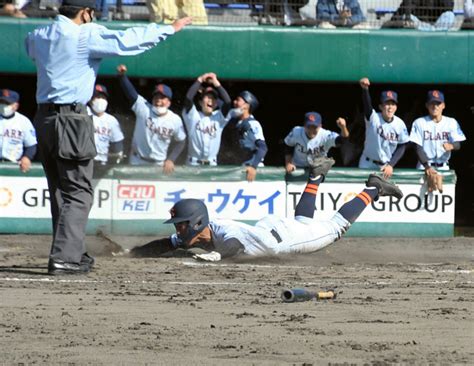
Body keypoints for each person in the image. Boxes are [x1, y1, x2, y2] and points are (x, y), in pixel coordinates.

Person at [25, 0, 191, 275]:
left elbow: (28, 45)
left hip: (43, 118)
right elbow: (127, 40)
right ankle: (65, 258)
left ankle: (72, 251)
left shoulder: (39, 34)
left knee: (59, 191)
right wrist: (169, 28)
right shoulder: (84, 34)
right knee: (78, 192)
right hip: (71, 118)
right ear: (85, 12)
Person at [130, 157, 403, 261]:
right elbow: (167, 243)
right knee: (302, 218)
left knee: (335, 227)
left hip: (286, 239)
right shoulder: (200, 232)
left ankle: (374, 187)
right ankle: (316, 177)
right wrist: (132, 252)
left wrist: (218, 258)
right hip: (271, 228)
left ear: (197, 222)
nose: (179, 229)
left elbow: (235, 247)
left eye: (182, 224)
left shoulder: (227, 234)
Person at [117, 64, 186, 173]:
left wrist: (171, 159)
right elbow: (131, 93)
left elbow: (181, 141)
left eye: (163, 98)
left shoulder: (175, 119)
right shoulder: (144, 109)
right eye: (156, 97)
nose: (158, 100)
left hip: (159, 165)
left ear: (169, 102)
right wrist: (122, 76)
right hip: (137, 161)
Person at [409, 90, 466, 190]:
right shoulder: (419, 122)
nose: (435, 106)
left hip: (443, 167)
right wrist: (427, 166)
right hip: (424, 167)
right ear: (427, 105)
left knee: (443, 200)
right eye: (432, 103)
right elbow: (417, 147)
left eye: (438, 103)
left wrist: (452, 146)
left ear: (443, 105)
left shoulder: (451, 122)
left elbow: (458, 143)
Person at [358, 77, 409, 179]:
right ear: (381, 106)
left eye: (393, 104)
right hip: (367, 163)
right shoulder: (373, 118)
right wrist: (365, 90)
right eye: (387, 104)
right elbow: (367, 105)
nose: (390, 107)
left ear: (396, 107)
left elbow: (402, 145)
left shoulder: (400, 124)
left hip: (385, 166)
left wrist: (391, 164)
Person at [182, 72, 231, 167]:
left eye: (213, 98)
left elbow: (228, 102)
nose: (210, 100)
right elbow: (188, 98)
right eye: (207, 97)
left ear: (216, 104)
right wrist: (199, 80)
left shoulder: (219, 117)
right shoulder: (193, 116)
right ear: (200, 102)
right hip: (193, 164)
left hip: (211, 164)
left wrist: (216, 83)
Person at [218, 91, 268, 182]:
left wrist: (254, 167)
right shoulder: (237, 122)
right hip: (244, 167)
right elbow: (224, 105)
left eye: (238, 100)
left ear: (247, 105)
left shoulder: (252, 124)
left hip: (254, 169)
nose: (235, 102)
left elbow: (263, 147)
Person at [284, 111, 349, 174]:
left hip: (319, 170)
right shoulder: (296, 131)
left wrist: (343, 127)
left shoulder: (325, 135)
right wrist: (288, 163)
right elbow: (288, 145)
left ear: (320, 126)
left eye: (314, 127)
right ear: (304, 125)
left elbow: (342, 141)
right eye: (309, 126)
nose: (311, 130)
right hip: (297, 168)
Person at [0, 89, 37, 173]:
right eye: (2, 102)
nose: (3, 106)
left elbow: (31, 145)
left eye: (7, 103)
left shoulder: (23, 121)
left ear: (16, 106)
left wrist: (27, 157)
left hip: (15, 166)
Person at [88, 84, 125, 166]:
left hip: (102, 162)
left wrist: (117, 158)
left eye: (103, 97)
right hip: (85, 162)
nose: (100, 100)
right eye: (97, 97)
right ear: (91, 100)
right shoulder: (84, 114)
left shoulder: (111, 120)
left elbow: (117, 143)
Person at [382, 0, 455, 31]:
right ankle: (432, 34)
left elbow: (448, 8)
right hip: (420, 26)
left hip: (437, 26)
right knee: (408, 18)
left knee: (450, 15)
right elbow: (405, 13)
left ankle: (436, 36)